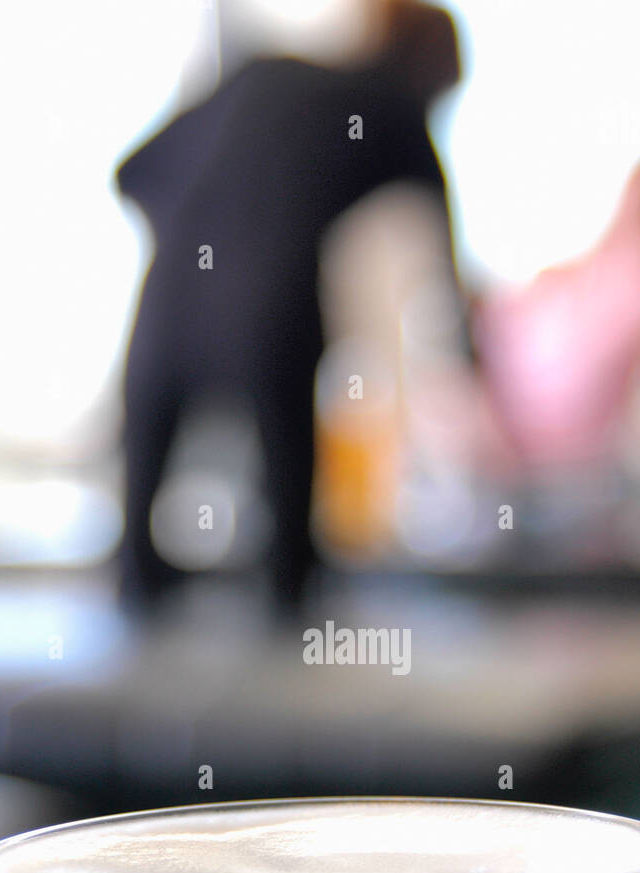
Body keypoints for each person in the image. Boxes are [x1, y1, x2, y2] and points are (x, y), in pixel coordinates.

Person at [115, 1, 461, 615]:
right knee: (291, 575)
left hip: (165, 313)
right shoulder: (393, 105)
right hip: (268, 314)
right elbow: (443, 268)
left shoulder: (260, 74)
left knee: (136, 574)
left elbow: (133, 170)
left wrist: (202, 227)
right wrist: (475, 367)